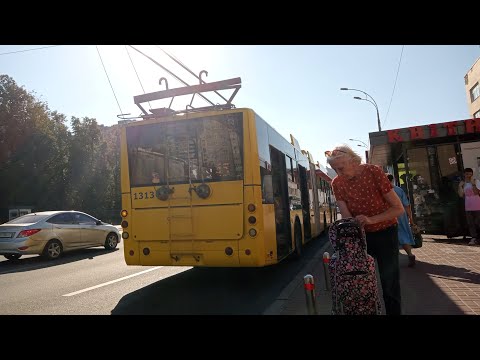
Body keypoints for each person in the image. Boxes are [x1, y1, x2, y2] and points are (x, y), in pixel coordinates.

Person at [325, 145, 405, 315]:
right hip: (360, 237)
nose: (339, 174)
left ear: (354, 162)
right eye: (334, 170)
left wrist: (371, 220)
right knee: (359, 280)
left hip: (386, 231)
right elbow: (346, 216)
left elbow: (398, 208)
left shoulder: (373, 172)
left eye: (341, 168)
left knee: (389, 281)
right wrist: (352, 225)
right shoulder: (337, 183)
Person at [387, 174, 417, 267]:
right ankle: (410, 254)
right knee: (403, 234)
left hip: (388, 216)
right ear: (393, 180)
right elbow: (406, 205)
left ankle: (392, 260)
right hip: (401, 215)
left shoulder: (383, 191)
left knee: (391, 237)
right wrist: (411, 219)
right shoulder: (399, 190)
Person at [458, 167, 480, 245]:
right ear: (464, 174)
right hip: (468, 206)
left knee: (478, 222)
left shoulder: (476, 181)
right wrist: (460, 186)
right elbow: (461, 195)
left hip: (477, 206)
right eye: (467, 174)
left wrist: (473, 184)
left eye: (470, 174)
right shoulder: (463, 183)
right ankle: (474, 237)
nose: (468, 176)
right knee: (471, 223)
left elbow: (477, 193)